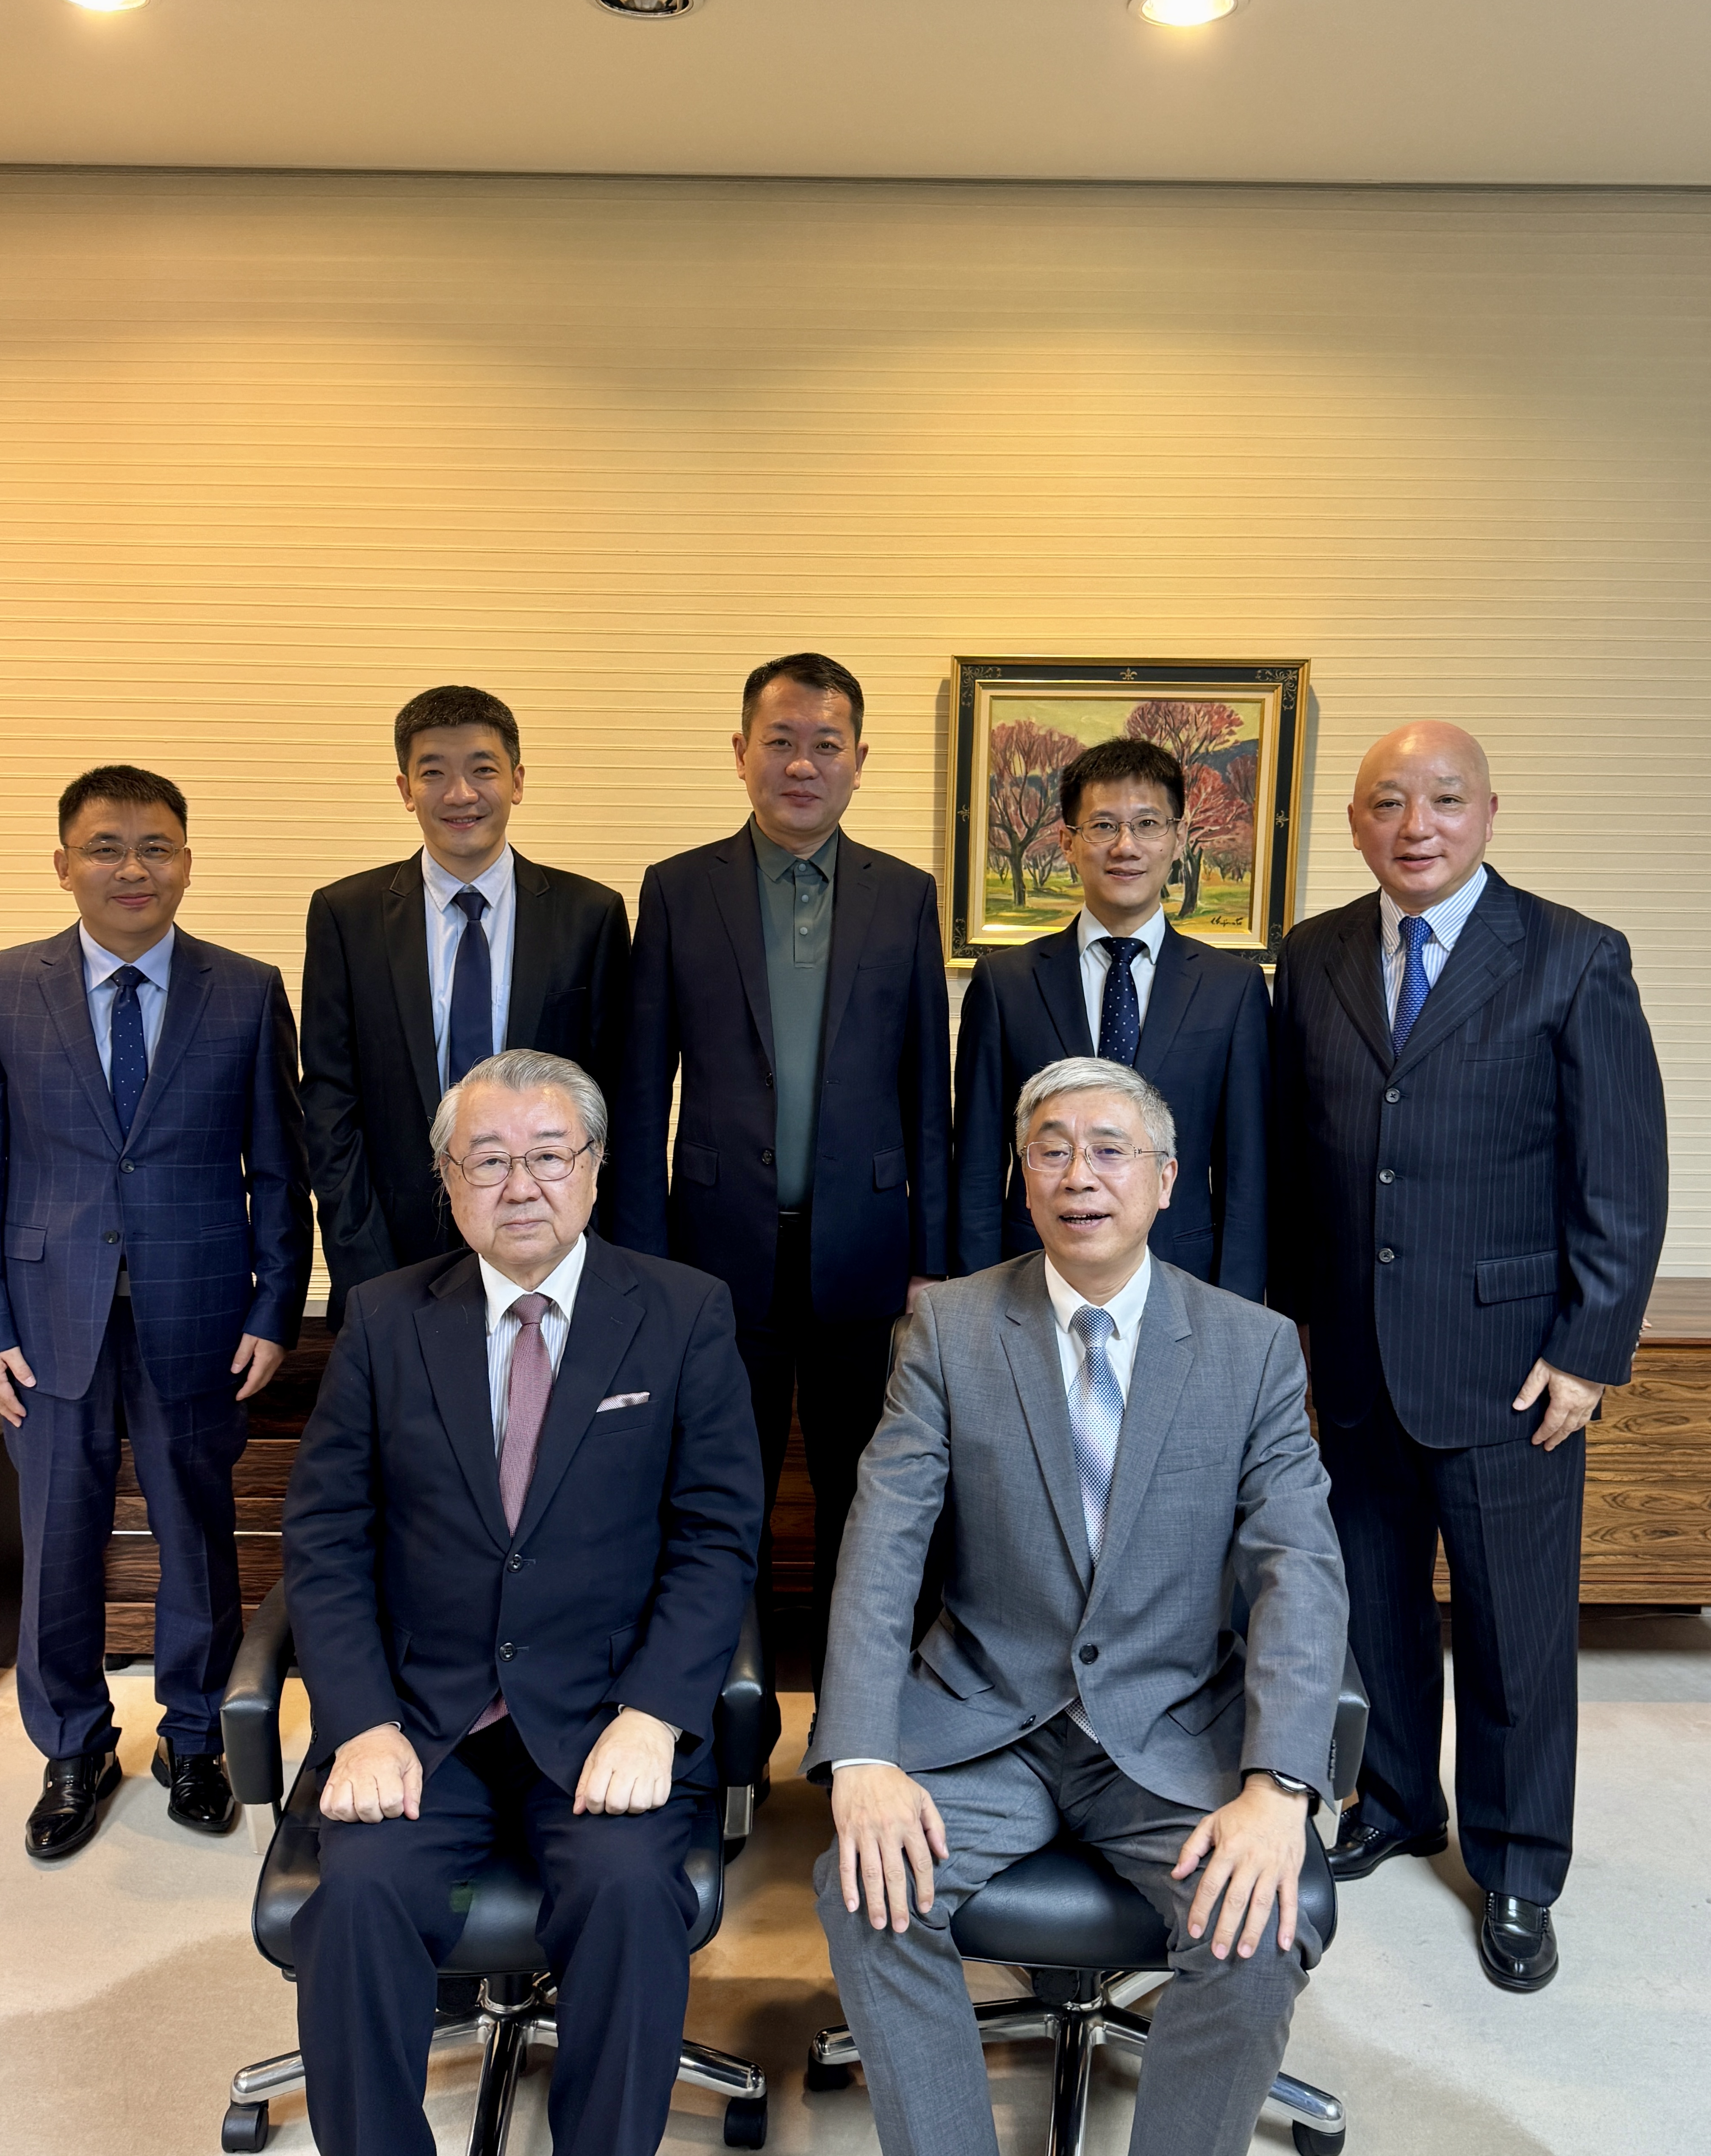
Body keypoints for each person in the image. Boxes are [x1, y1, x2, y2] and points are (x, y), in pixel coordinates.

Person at [808, 1057, 1348, 2156]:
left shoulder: (1249, 1348)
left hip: (1169, 1725)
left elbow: (1299, 1568)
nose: (1078, 1176)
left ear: (1165, 1178)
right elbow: (880, 1545)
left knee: (1257, 1928)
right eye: (1049, 1151)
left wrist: (1278, 1785)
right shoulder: (947, 1329)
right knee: (864, 1890)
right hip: (984, 1719)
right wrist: (860, 1755)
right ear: (1020, 1179)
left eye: (1109, 1150)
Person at [282, 1048, 761, 2156]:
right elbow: (325, 1538)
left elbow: (716, 1537)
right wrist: (361, 1723)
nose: (520, 1185)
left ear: (594, 1168)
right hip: (423, 1720)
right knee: (356, 1901)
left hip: (603, 1714)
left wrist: (653, 1714)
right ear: (448, 1183)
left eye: (548, 1155)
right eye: (487, 1160)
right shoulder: (385, 1319)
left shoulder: (682, 1313)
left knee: (630, 1893)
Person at [1270, 721, 1667, 1993]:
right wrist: (1288, 1326)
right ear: (1354, 824)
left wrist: (1588, 1355)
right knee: (1372, 1603)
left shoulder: (1572, 955)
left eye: (1442, 799)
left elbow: (1622, 1178)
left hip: (1512, 1368)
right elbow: (1295, 1154)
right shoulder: (1314, 953)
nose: (1415, 826)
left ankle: (1516, 1862)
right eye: (1387, 802)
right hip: (1351, 1354)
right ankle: (1395, 1802)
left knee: (1514, 1631)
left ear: (1489, 812)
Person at [0, 765, 311, 1859]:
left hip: (203, 1313)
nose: (132, 868)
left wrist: (276, 1306)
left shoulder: (246, 990)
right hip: (43, 1316)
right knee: (60, 1538)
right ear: (64, 864)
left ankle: (196, 1740)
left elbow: (280, 1168)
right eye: (106, 847)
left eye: (156, 847)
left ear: (187, 863)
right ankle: (73, 1749)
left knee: (197, 1534)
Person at [612, 651, 952, 1703]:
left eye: (826, 745)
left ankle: (862, 1721)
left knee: (869, 1497)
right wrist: (641, 1257)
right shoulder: (679, 890)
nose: (802, 765)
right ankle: (732, 1724)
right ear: (740, 752)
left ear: (859, 761)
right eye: (781, 742)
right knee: (723, 1497)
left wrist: (934, 1261)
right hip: (714, 1257)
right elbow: (640, 1090)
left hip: (868, 1257)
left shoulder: (904, 895)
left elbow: (927, 1093)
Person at [301, 684, 630, 1324]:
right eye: (434, 773)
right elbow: (329, 1101)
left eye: (483, 769)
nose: (460, 794)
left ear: (517, 781)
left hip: (551, 1243)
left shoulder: (589, 915)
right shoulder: (347, 915)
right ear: (406, 789)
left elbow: (613, 1098)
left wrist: (592, 1244)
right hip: (392, 1249)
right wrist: (361, 1254)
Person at [953, 735, 1271, 1294]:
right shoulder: (1006, 983)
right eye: (1103, 826)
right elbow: (978, 1163)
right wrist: (974, 1296)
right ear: (1067, 842)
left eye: (1148, 824)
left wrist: (1238, 1305)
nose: (1126, 846)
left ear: (1177, 839)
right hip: (1030, 1274)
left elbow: (1246, 1172)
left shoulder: (1232, 989)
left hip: (1183, 1274)